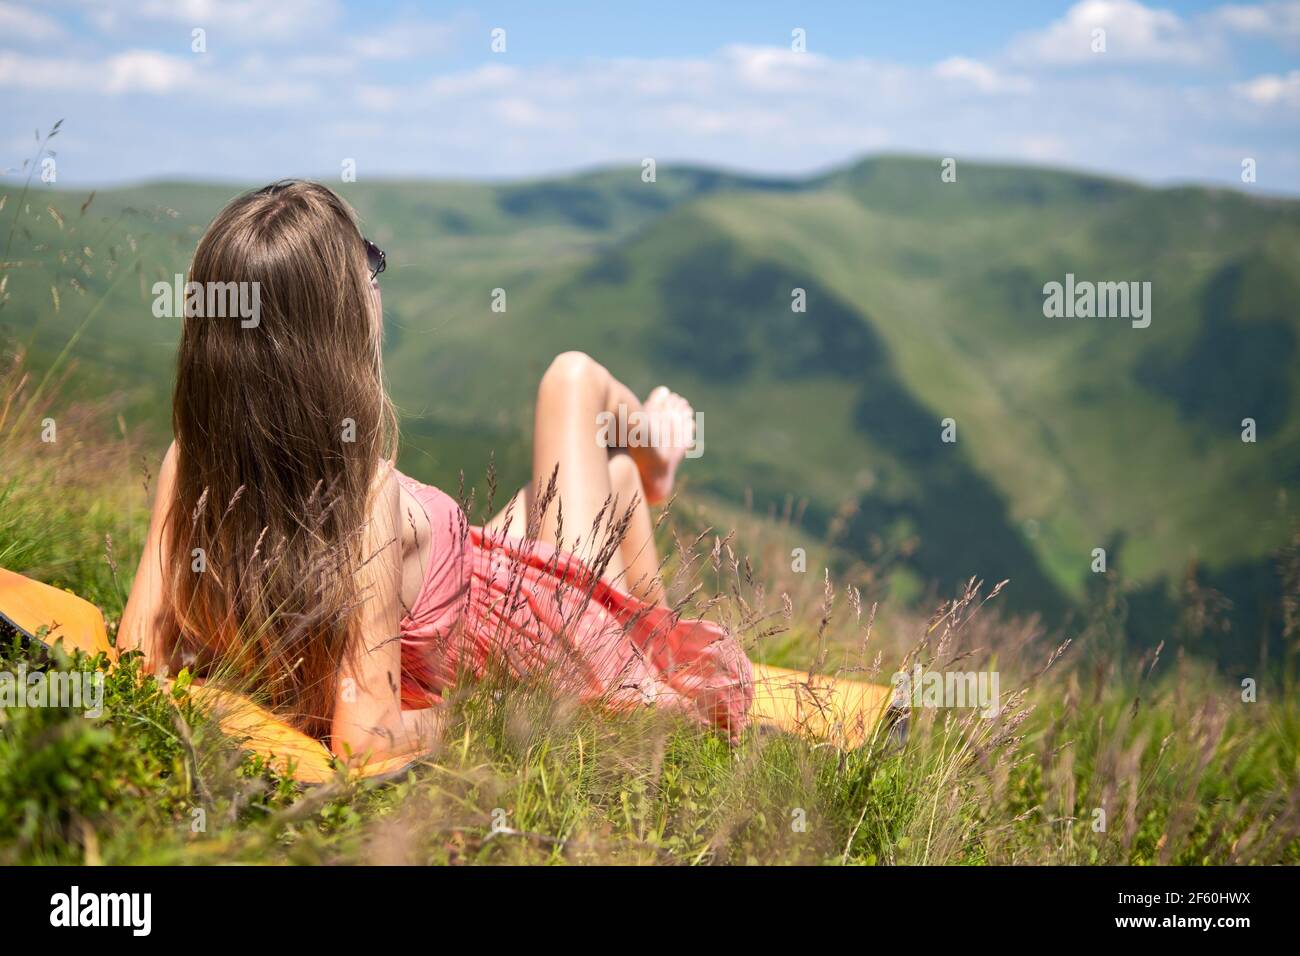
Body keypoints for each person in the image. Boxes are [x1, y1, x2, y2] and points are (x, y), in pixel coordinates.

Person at [118, 180, 752, 763]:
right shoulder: (362, 499)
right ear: (334, 324)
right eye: (365, 265)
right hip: (539, 638)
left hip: (484, 581)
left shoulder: (190, 465)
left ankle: (647, 480)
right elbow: (367, 735)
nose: (376, 280)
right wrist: (491, 714)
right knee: (574, 379)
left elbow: (133, 656)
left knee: (610, 478)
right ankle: (657, 470)